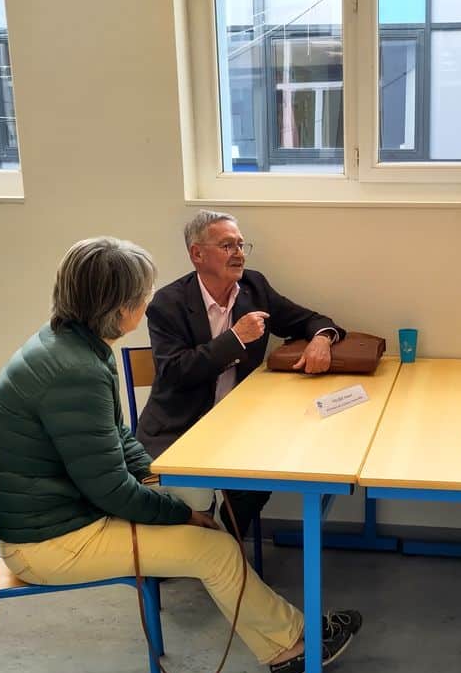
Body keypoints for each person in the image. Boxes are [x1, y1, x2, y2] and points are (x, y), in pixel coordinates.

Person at [0, 237, 360, 673]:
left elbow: (117, 436)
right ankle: (291, 651)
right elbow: (109, 489)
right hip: (50, 542)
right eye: (142, 294)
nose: (147, 302)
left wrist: (153, 476)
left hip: (63, 513)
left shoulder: (70, 345)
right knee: (216, 549)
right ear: (119, 307)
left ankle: (288, 636)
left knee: (202, 508)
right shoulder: (75, 371)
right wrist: (179, 513)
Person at [137, 210, 345, 537]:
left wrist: (322, 339)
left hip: (238, 425)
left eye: (241, 245)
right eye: (227, 246)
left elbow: (309, 320)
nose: (239, 254)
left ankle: (225, 538)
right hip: (180, 426)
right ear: (197, 254)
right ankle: (206, 542)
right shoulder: (168, 303)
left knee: (267, 469)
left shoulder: (253, 287)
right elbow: (176, 371)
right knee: (188, 499)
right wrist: (235, 339)